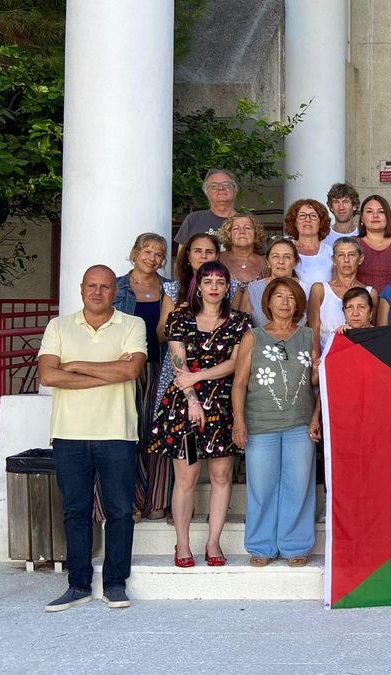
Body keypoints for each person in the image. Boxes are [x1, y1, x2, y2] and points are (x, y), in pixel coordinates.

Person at [38, 265, 147, 611]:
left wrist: (74, 365)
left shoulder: (133, 324)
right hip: (69, 433)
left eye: (105, 287)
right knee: (76, 511)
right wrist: (107, 372)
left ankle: (115, 584)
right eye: (91, 286)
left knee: (119, 511)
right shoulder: (59, 326)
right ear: (81, 288)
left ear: (115, 291)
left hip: (117, 432)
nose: (97, 292)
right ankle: (78, 584)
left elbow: (131, 370)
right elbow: (48, 375)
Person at [147, 261, 251, 569]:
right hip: (186, 408)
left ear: (228, 287)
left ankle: (213, 541)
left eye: (221, 281)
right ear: (199, 286)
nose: (214, 287)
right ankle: (182, 542)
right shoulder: (180, 318)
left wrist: (198, 376)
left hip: (221, 405)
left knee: (221, 476)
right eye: (208, 281)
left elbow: (235, 363)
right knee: (188, 476)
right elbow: (178, 362)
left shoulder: (239, 322)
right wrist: (191, 395)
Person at [231, 276, 320, 568]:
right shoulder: (253, 336)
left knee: (299, 485)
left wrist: (323, 367)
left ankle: (296, 546)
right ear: (267, 302)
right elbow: (240, 382)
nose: (285, 302)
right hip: (260, 422)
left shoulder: (308, 335)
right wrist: (238, 421)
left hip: (299, 423)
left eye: (291, 297)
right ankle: (261, 546)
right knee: (262, 485)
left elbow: (316, 381)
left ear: (299, 305)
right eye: (279, 296)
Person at [114, 233, 170, 521]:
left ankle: (157, 500)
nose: (152, 258)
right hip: (127, 368)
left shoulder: (169, 288)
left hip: (162, 366)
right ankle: (134, 500)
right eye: (146, 251)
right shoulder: (117, 288)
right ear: (134, 253)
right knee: (129, 431)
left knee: (158, 432)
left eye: (158, 254)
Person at [155, 233, 223, 419]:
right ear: (188, 255)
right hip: (180, 369)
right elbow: (161, 333)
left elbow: (234, 330)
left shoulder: (228, 287)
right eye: (197, 251)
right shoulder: (174, 290)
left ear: (217, 256)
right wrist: (178, 319)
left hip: (216, 369)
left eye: (209, 252)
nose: (203, 256)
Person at [308, 238, 377, 350]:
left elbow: (372, 330)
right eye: (341, 255)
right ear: (333, 260)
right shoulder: (319, 290)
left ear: (361, 259)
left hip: (359, 356)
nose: (346, 260)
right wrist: (317, 360)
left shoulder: (370, 293)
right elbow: (314, 329)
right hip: (327, 357)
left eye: (352, 255)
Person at [239, 238, 309, 327]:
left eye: (287, 257)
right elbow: (242, 327)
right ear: (268, 262)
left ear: (295, 262)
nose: (281, 262)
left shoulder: (308, 290)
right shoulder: (253, 289)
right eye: (275, 256)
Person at [174, 169, 238, 253]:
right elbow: (181, 260)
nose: (221, 188)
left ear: (235, 190)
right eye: (214, 185)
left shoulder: (247, 223)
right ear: (206, 192)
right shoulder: (193, 219)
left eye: (226, 184)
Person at [352, 194, 391, 290]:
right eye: (369, 211)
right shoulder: (351, 244)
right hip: (360, 303)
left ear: (388, 217)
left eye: (381, 212)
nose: (375, 216)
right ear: (362, 218)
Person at [286, 199, 334, 286]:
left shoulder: (331, 253)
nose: (307, 219)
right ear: (295, 222)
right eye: (302, 216)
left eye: (313, 216)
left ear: (321, 223)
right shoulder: (285, 249)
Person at [218, 213, 267, 284]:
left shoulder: (267, 263)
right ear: (229, 234)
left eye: (247, 228)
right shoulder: (217, 259)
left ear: (256, 233)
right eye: (236, 228)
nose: (242, 232)